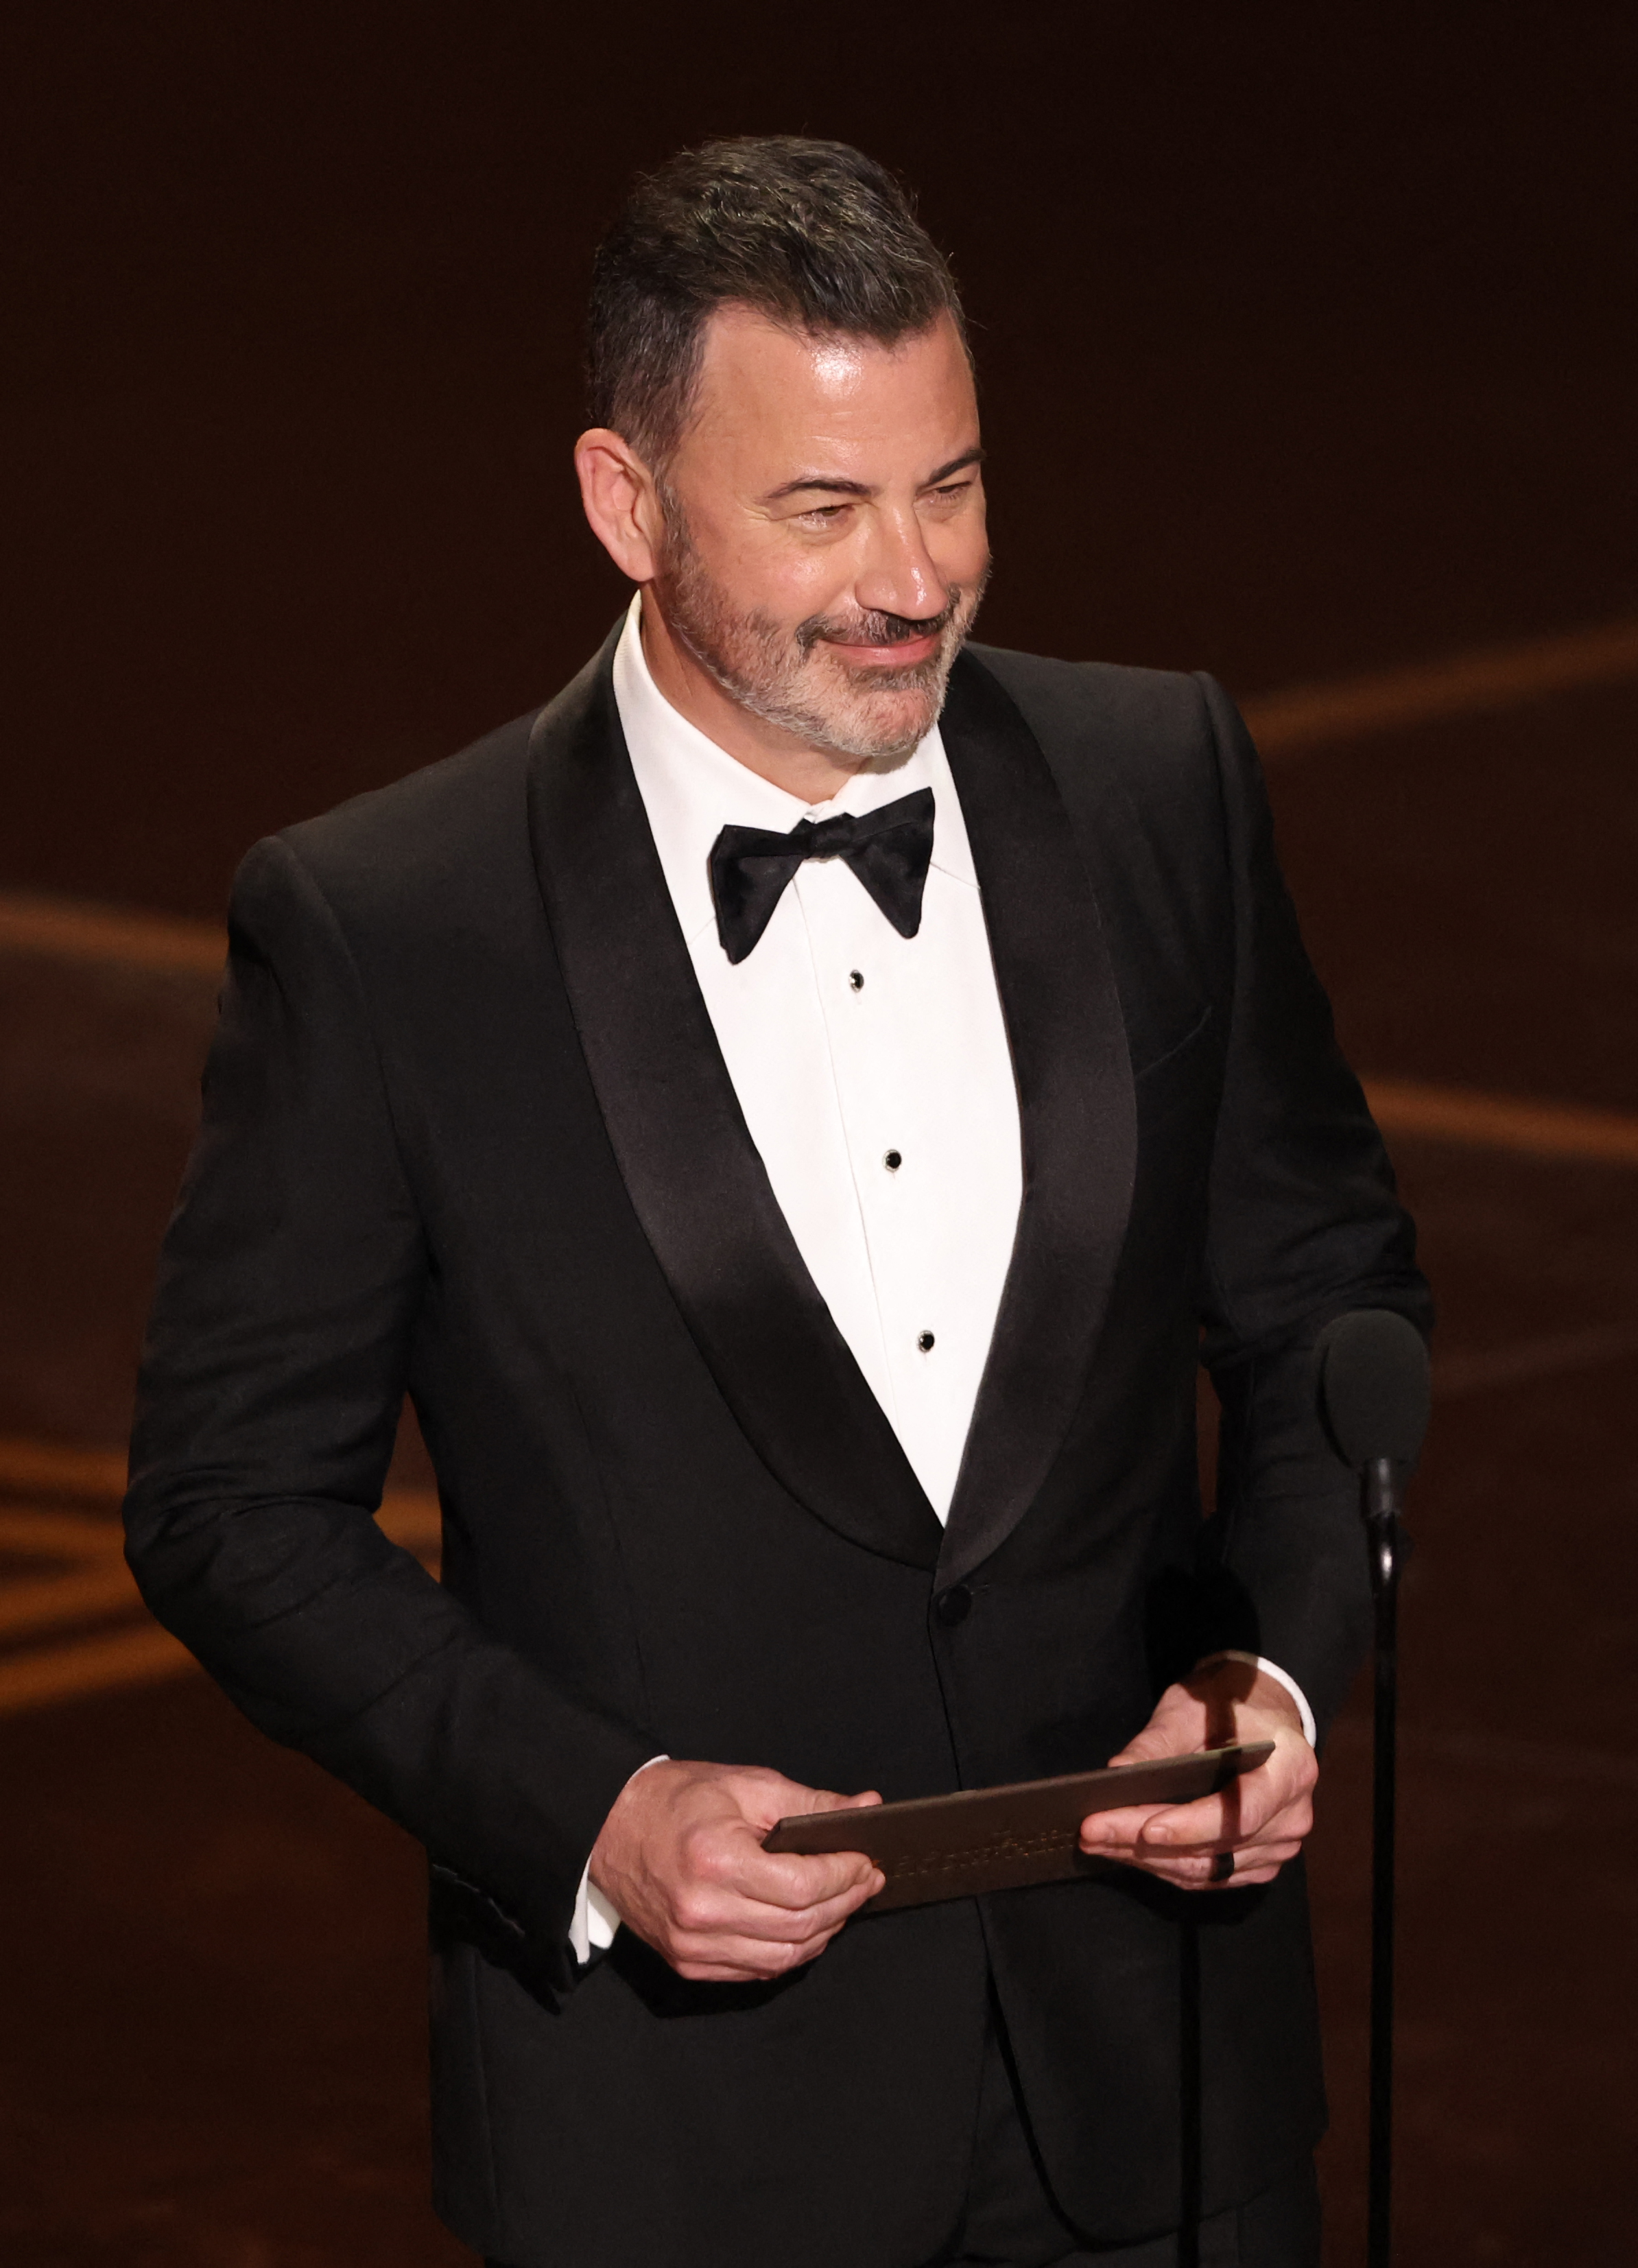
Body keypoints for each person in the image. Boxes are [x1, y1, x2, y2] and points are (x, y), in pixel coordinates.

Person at [124, 137, 1429, 2268]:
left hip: (1161, 2096)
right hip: (680, 2143)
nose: (909, 576)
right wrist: (596, 1814)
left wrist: (1272, 1681)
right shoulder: (386, 927)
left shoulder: (1156, 787)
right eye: (819, 507)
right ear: (624, 503)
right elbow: (227, 1505)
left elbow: (1323, 1305)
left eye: (950, 484)